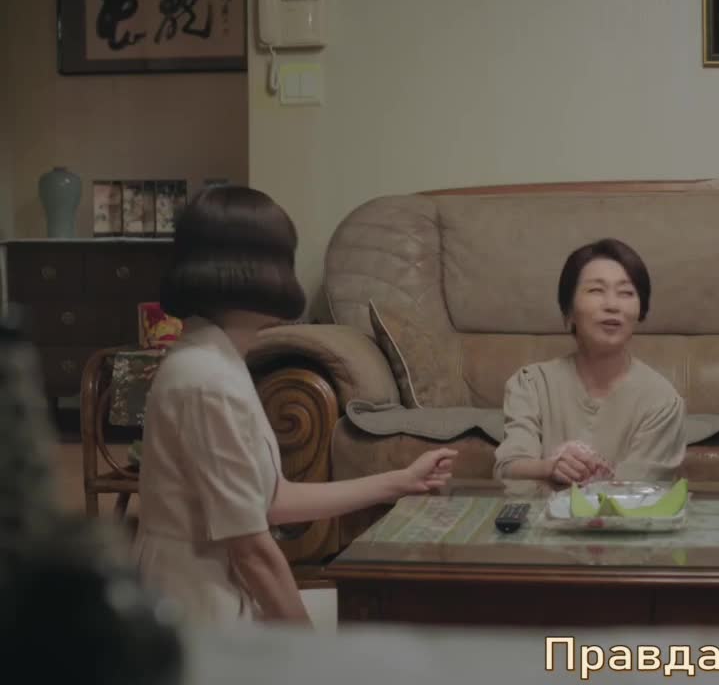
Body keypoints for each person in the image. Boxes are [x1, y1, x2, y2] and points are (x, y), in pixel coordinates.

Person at [134, 186, 455, 626]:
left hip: (222, 597)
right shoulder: (207, 380)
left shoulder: (216, 358)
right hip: (202, 617)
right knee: (395, 624)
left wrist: (400, 482)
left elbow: (271, 500)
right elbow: (252, 551)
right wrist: (305, 651)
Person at [492, 238, 686, 485]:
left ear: (640, 311)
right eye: (596, 290)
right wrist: (550, 468)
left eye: (626, 293)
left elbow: (638, 491)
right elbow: (507, 469)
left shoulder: (662, 402)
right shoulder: (531, 385)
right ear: (569, 311)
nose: (612, 305)